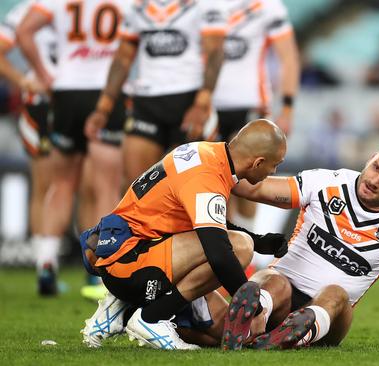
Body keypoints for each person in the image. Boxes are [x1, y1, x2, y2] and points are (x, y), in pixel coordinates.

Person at [79, 119, 289, 350]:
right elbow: (219, 254)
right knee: (240, 247)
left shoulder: (208, 153)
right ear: (258, 162)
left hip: (137, 253)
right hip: (131, 262)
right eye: (274, 165)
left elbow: (206, 221)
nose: (273, 171)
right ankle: (151, 317)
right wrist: (254, 310)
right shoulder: (208, 175)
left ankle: (123, 311)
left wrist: (259, 241)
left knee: (220, 335)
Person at [224, 142, 379, 349]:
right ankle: (257, 315)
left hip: (333, 319)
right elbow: (255, 188)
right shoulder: (325, 182)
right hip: (282, 292)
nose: (375, 181)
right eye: (376, 168)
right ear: (371, 158)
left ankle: (298, 329)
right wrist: (214, 166)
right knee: (273, 280)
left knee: (336, 293)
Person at [17, 0, 129, 295]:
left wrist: (44, 74)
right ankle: (103, 270)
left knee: (62, 184)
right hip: (107, 90)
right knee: (106, 187)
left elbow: (24, 30)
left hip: (66, 90)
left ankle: (46, 262)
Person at [84, 0, 228, 186]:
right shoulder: (136, 6)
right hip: (146, 101)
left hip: (188, 99)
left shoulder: (205, 5)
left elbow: (215, 52)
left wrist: (201, 104)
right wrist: (103, 108)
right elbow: (123, 58)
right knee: (138, 188)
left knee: (188, 187)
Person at [212, 0, 300, 230]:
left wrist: (287, 108)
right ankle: (223, 250)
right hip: (208, 105)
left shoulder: (267, 6)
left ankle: (248, 247)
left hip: (249, 103)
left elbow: (288, 57)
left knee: (247, 181)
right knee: (215, 182)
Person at [0, 0, 55, 295]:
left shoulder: (28, 11)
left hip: (43, 103)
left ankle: (45, 264)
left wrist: (25, 79)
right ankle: (95, 272)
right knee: (86, 184)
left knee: (45, 188)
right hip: (76, 100)